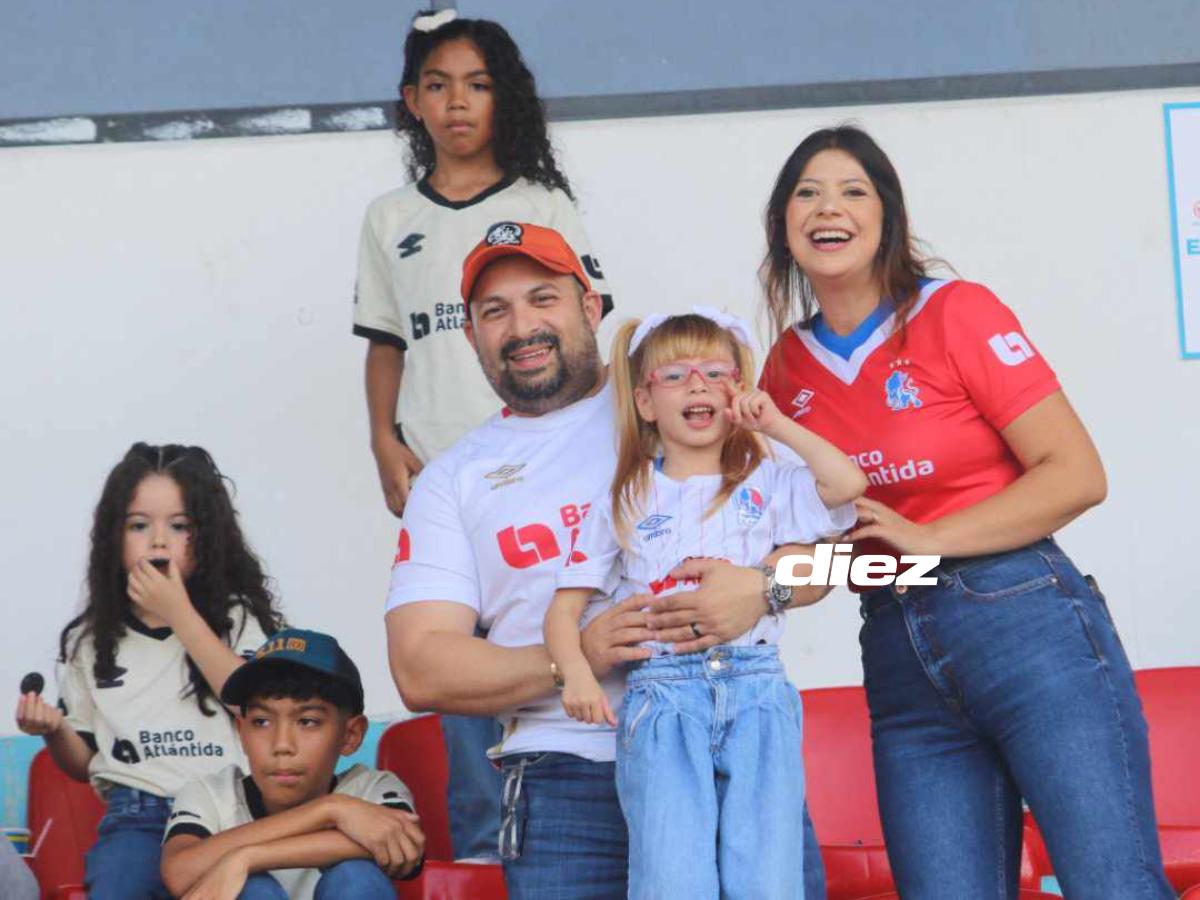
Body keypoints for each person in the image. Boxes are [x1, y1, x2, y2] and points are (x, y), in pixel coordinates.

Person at [757, 125, 1174, 899]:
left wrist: (929, 538)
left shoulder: (957, 311)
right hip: (896, 650)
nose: (828, 206)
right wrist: (760, 588)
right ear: (783, 224)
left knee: (1112, 886)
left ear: (888, 216)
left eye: (854, 190)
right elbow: (819, 548)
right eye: (806, 192)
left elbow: (1078, 474)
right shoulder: (782, 371)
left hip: (1024, 622)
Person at [386, 222, 830, 899]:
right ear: (472, 335)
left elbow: (829, 559)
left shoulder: (696, 400)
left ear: (590, 308)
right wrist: (574, 658)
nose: (521, 326)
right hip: (566, 779)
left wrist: (764, 588)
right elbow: (420, 666)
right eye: (494, 311)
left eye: (543, 299)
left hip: (727, 743)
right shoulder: (455, 479)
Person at [353, 9, 612, 861]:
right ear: (410, 102)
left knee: (572, 634)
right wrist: (384, 443)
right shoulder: (390, 217)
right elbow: (385, 344)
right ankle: (482, 850)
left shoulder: (543, 204)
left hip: (543, 470)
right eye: (438, 85)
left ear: (506, 98)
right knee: (462, 661)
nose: (458, 103)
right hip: (452, 484)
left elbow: (587, 329)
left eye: (478, 84)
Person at [544, 310, 864, 898]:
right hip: (663, 697)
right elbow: (564, 610)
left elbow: (845, 486)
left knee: (768, 879)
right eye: (675, 375)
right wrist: (577, 675)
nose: (698, 384)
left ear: (738, 392)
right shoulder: (625, 494)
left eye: (716, 372)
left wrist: (778, 426)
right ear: (644, 401)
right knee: (672, 878)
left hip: (758, 690)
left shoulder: (768, 480)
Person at [13, 443, 283, 899]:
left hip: (227, 815)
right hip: (135, 816)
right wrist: (54, 729)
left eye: (179, 527)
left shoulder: (237, 620)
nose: (158, 541)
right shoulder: (92, 641)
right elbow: (85, 763)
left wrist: (179, 614)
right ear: (112, 540)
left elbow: (250, 701)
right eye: (139, 525)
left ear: (209, 538)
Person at [160, 628, 425, 899]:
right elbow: (180, 871)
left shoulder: (370, 789)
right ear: (242, 731)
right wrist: (330, 810)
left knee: (356, 877)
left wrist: (246, 857)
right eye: (261, 722)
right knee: (252, 890)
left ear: (350, 734)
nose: (282, 745)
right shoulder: (212, 795)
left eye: (307, 722)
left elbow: (406, 843)